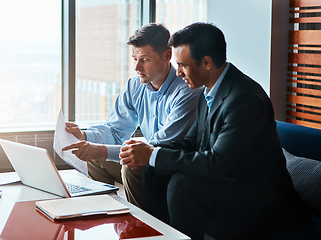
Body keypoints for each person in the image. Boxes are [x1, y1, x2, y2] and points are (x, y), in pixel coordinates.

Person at [119, 23, 313, 240]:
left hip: (258, 195)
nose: (178, 72)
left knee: (183, 185)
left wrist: (154, 155)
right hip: (228, 181)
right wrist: (150, 151)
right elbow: (191, 141)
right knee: (152, 169)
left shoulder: (244, 98)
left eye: (183, 65)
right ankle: (162, 236)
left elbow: (216, 163)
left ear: (207, 62)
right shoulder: (206, 91)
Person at [62, 23, 199, 210]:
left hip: (172, 166)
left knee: (131, 165)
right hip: (150, 159)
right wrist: (85, 137)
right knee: (93, 157)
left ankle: (144, 227)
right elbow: (115, 130)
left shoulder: (186, 91)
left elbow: (159, 147)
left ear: (167, 56)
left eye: (144, 59)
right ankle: (106, 213)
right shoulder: (135, 85)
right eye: (134, 58)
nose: (136, 67)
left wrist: (101, 150)